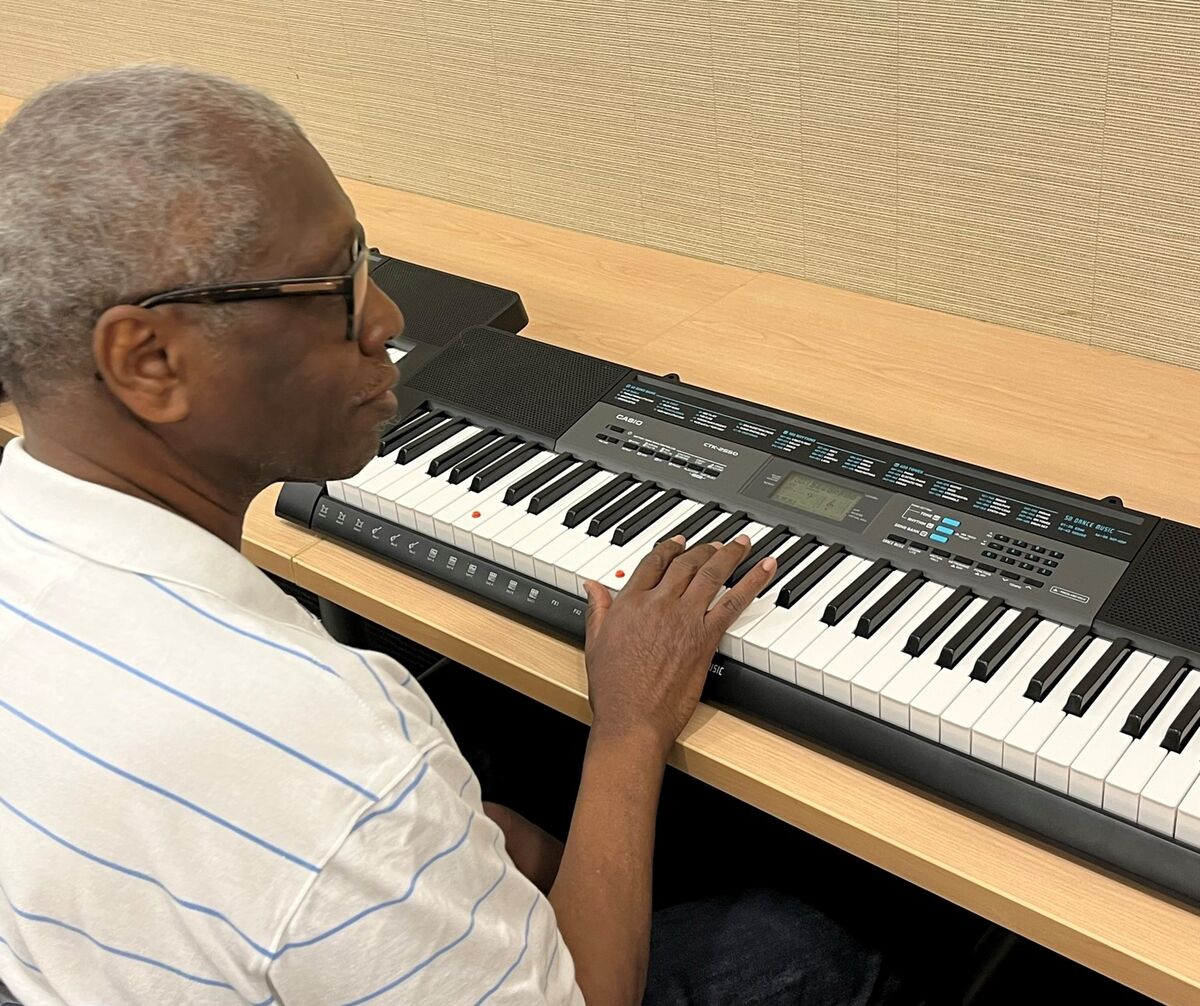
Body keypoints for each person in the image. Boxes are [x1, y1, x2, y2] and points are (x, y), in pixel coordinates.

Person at [0, 65, 910, 1005]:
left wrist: (455, 844)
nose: (387, 319)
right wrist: (631, 729)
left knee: (505, 811)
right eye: (337, 284)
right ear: (150, 360)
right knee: (802, 941)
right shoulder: (331, 755)